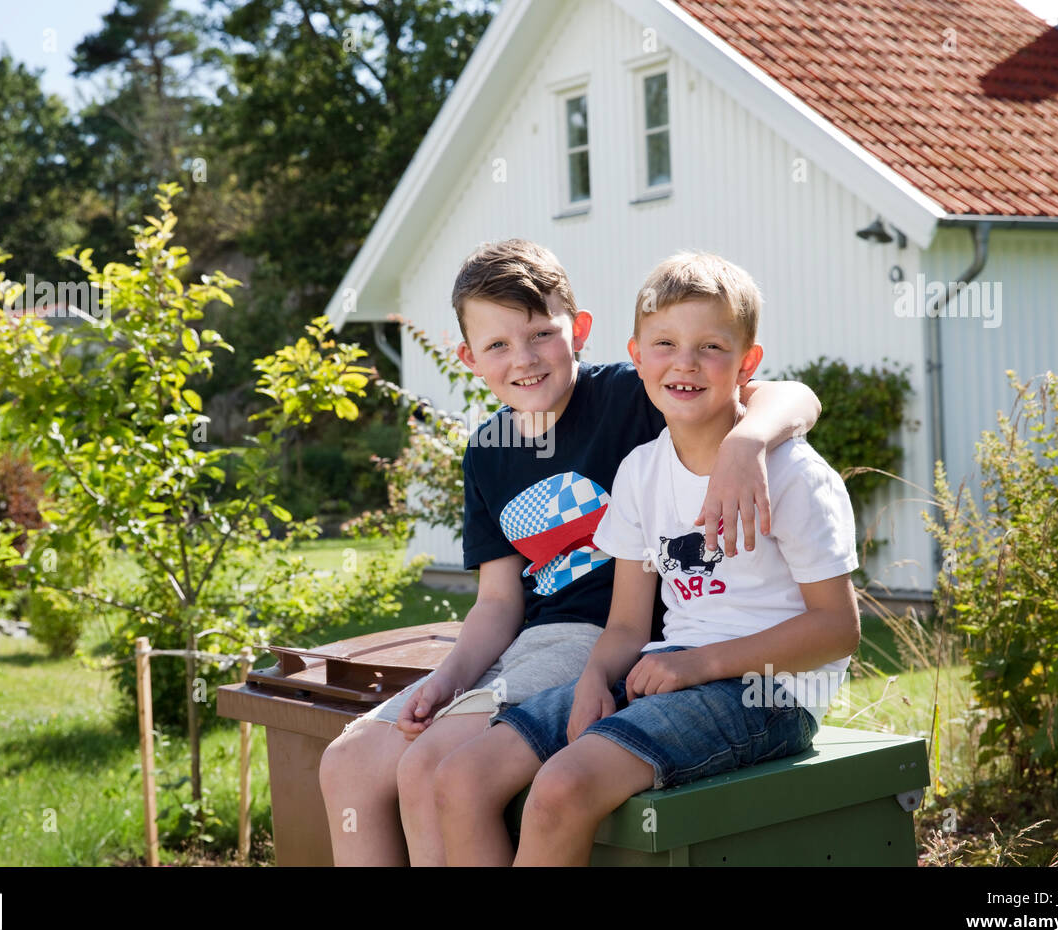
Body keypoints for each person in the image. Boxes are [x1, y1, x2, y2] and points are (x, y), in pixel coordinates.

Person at [319, 240, 823, 865]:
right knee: (346, 762)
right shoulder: (488, 451)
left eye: (539, 335)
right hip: (525, 644)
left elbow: (789, 395)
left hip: (605, 636)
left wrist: (747, 442)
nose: (523, 360)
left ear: (579, 331)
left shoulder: (629, 394)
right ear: (468, 358)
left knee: (430, 767)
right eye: (497, 345)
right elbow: (499, 602)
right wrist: (446, 680)